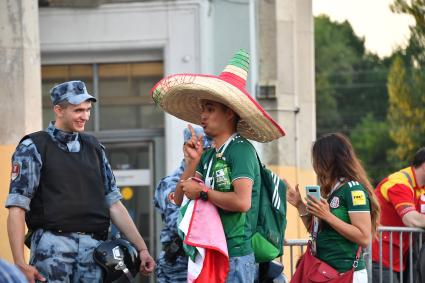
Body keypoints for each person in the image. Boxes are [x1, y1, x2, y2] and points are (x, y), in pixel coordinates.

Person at [151, 49, 285, 283]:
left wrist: (204, 192)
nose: (202, 116)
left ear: (230, 112)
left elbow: (242, 202)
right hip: (210, 254)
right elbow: (178, 199)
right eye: (203, 109)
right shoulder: (209, 154)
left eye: (210, 109)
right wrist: (192, 162)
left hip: (235, 256)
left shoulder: (240, 149)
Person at [5, 80, 155, 283]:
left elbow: (114, 204)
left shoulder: (94, 148)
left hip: (94, 252)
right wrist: (20, 264)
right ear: (59, 110)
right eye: (78, 110)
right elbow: (17, 207)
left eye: (88, 109)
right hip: (52, 249)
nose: (85, 116)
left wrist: (141, 248)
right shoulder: (33, 147)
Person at [286, 133, 380, 283]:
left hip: (345, 274)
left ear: (327, 159)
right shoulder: (331, 190)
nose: (314, 164)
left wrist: (328, 216)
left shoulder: (353, 189)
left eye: (316, 158)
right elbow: (316, 230)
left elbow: (364, 237)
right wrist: (300, 205)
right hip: (324, 272)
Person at [154, 127, 212, 283]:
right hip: (179, 268)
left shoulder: (213, 182)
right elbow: (178, 224)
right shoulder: (170, 183)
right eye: (201, 149)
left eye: (208, 150)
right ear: (186, 149)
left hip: (209, 265)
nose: (204, 155)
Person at [371, 147, 425, 282]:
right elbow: (411, 219)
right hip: (380, 258)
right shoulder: (398, 183)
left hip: (400, 259)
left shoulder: (421, 187)